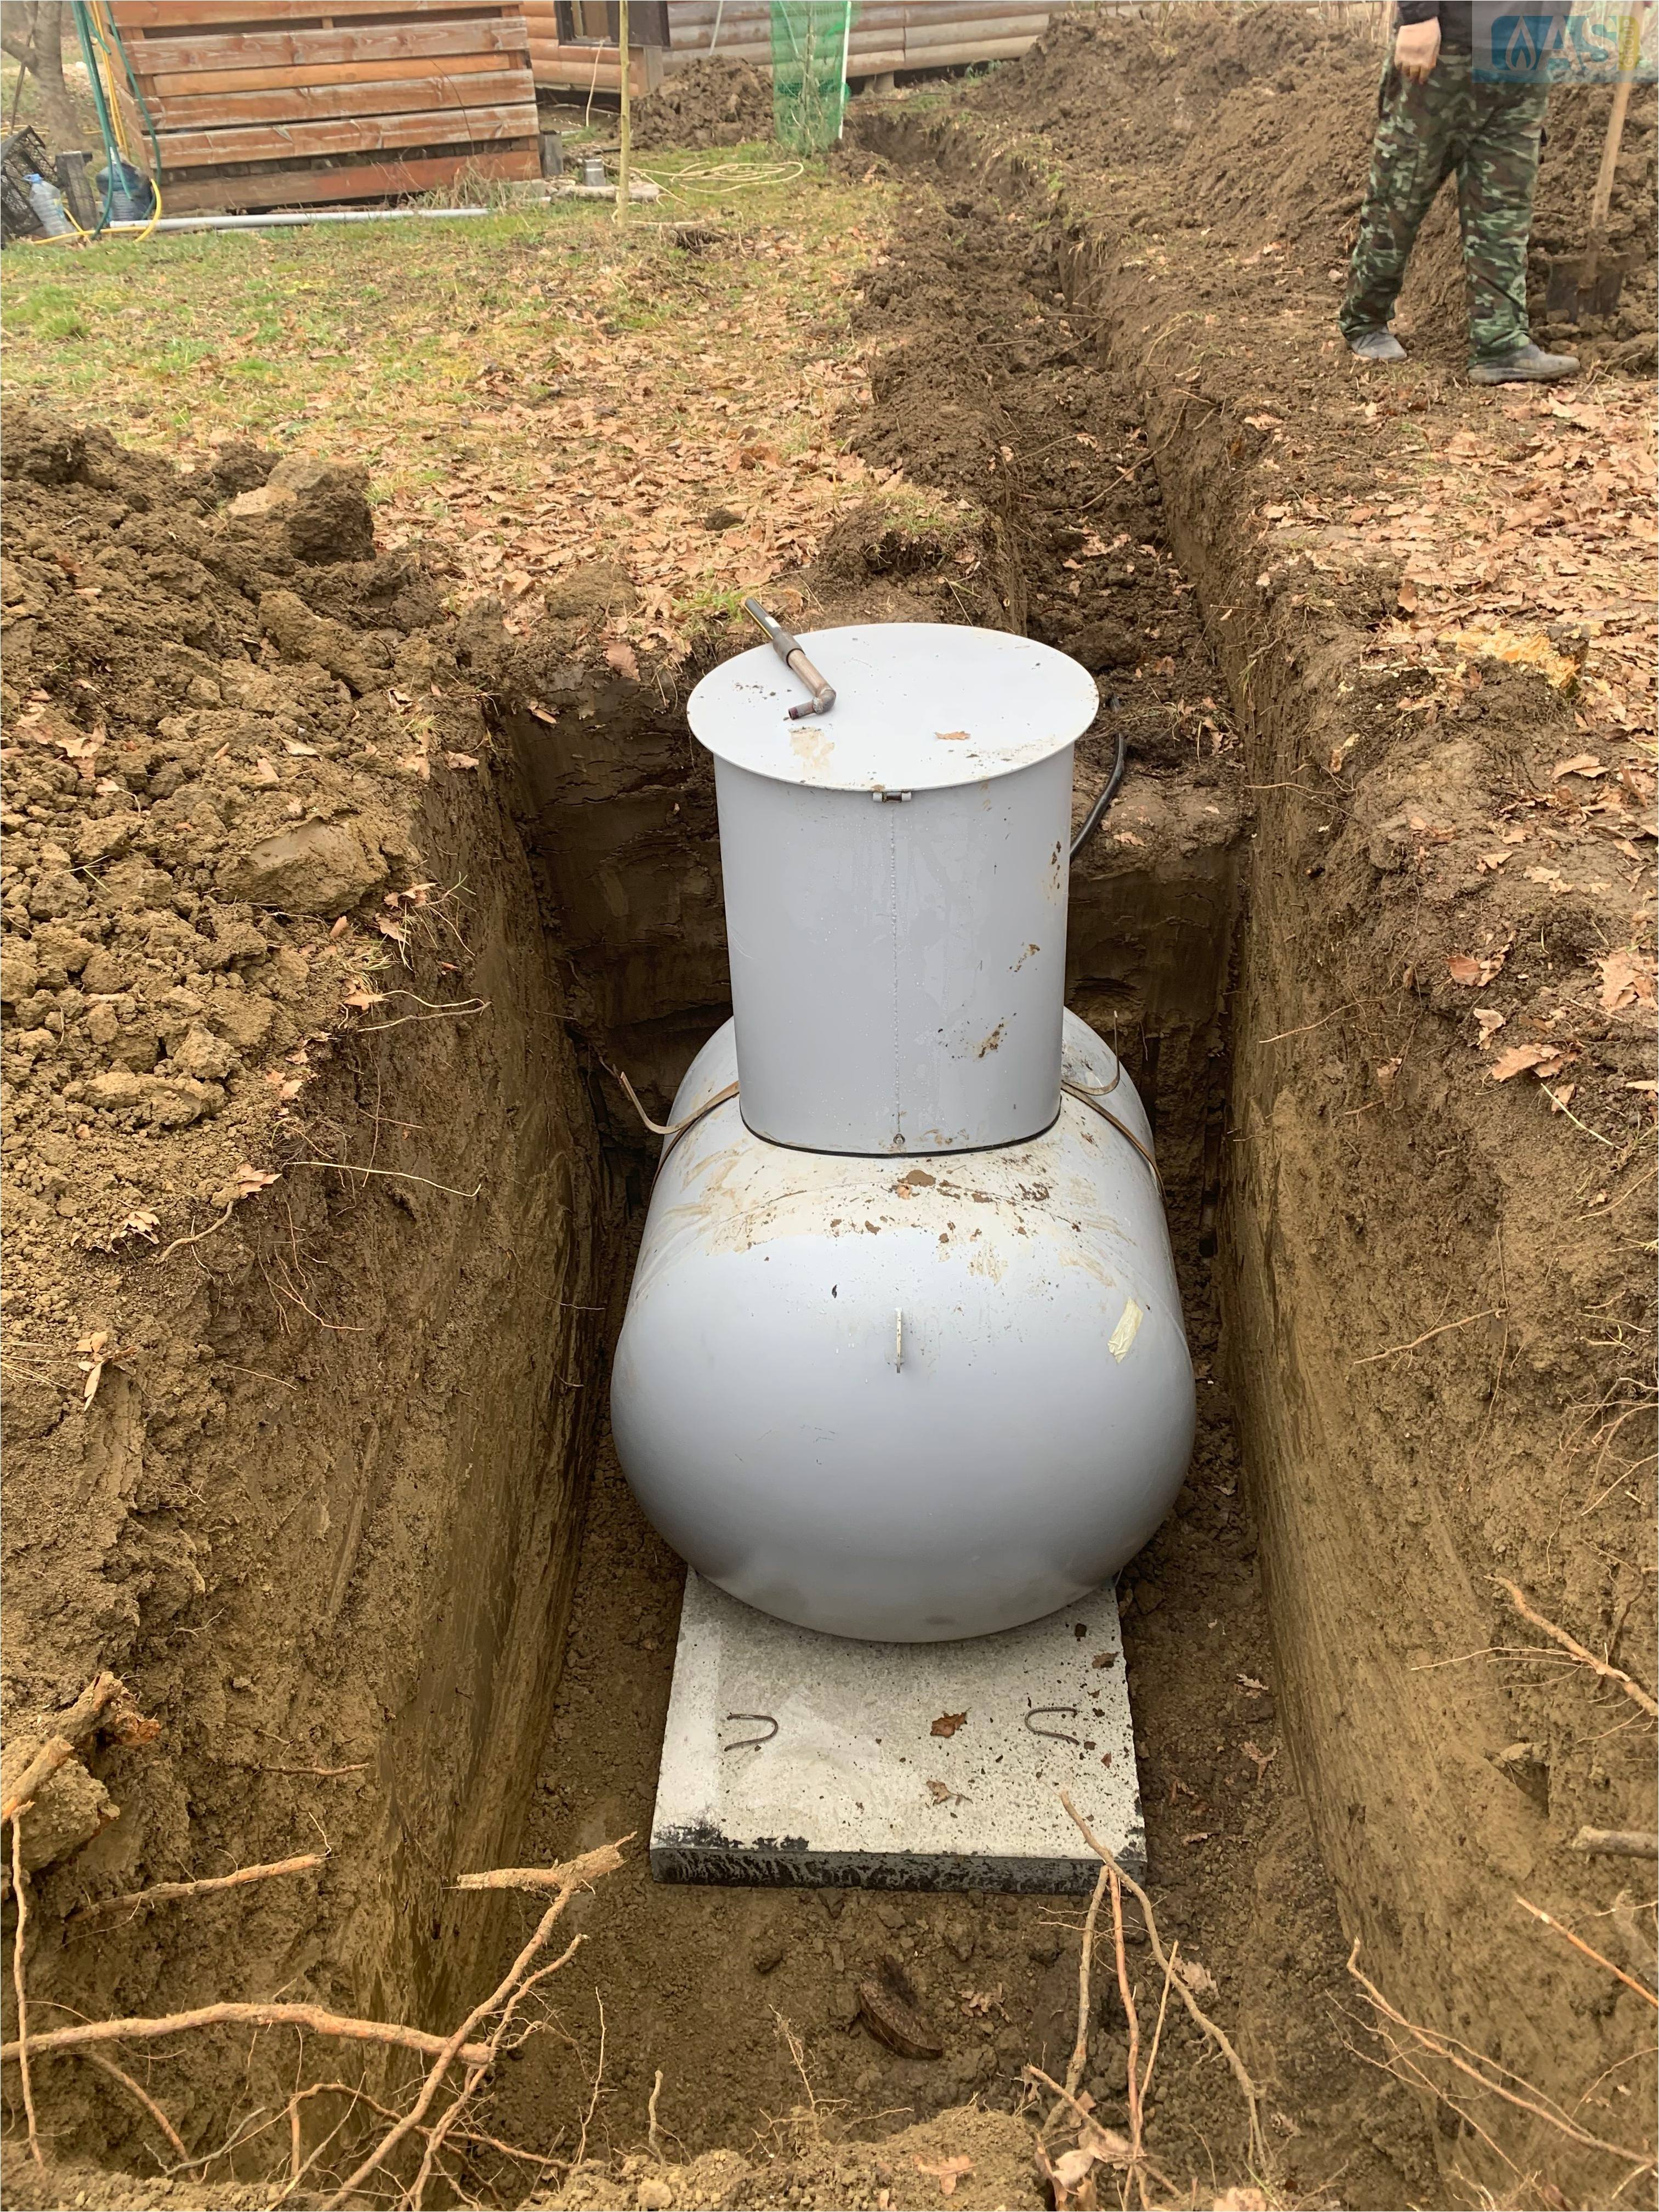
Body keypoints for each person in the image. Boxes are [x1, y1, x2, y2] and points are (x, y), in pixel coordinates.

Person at [1339, 0, 1578, 383]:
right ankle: (1365, 318)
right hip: (1447, 46)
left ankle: (1500, 342)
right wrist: (1419, 14)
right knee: (1401, 192)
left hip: (1525, 52)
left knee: (1504, 205)